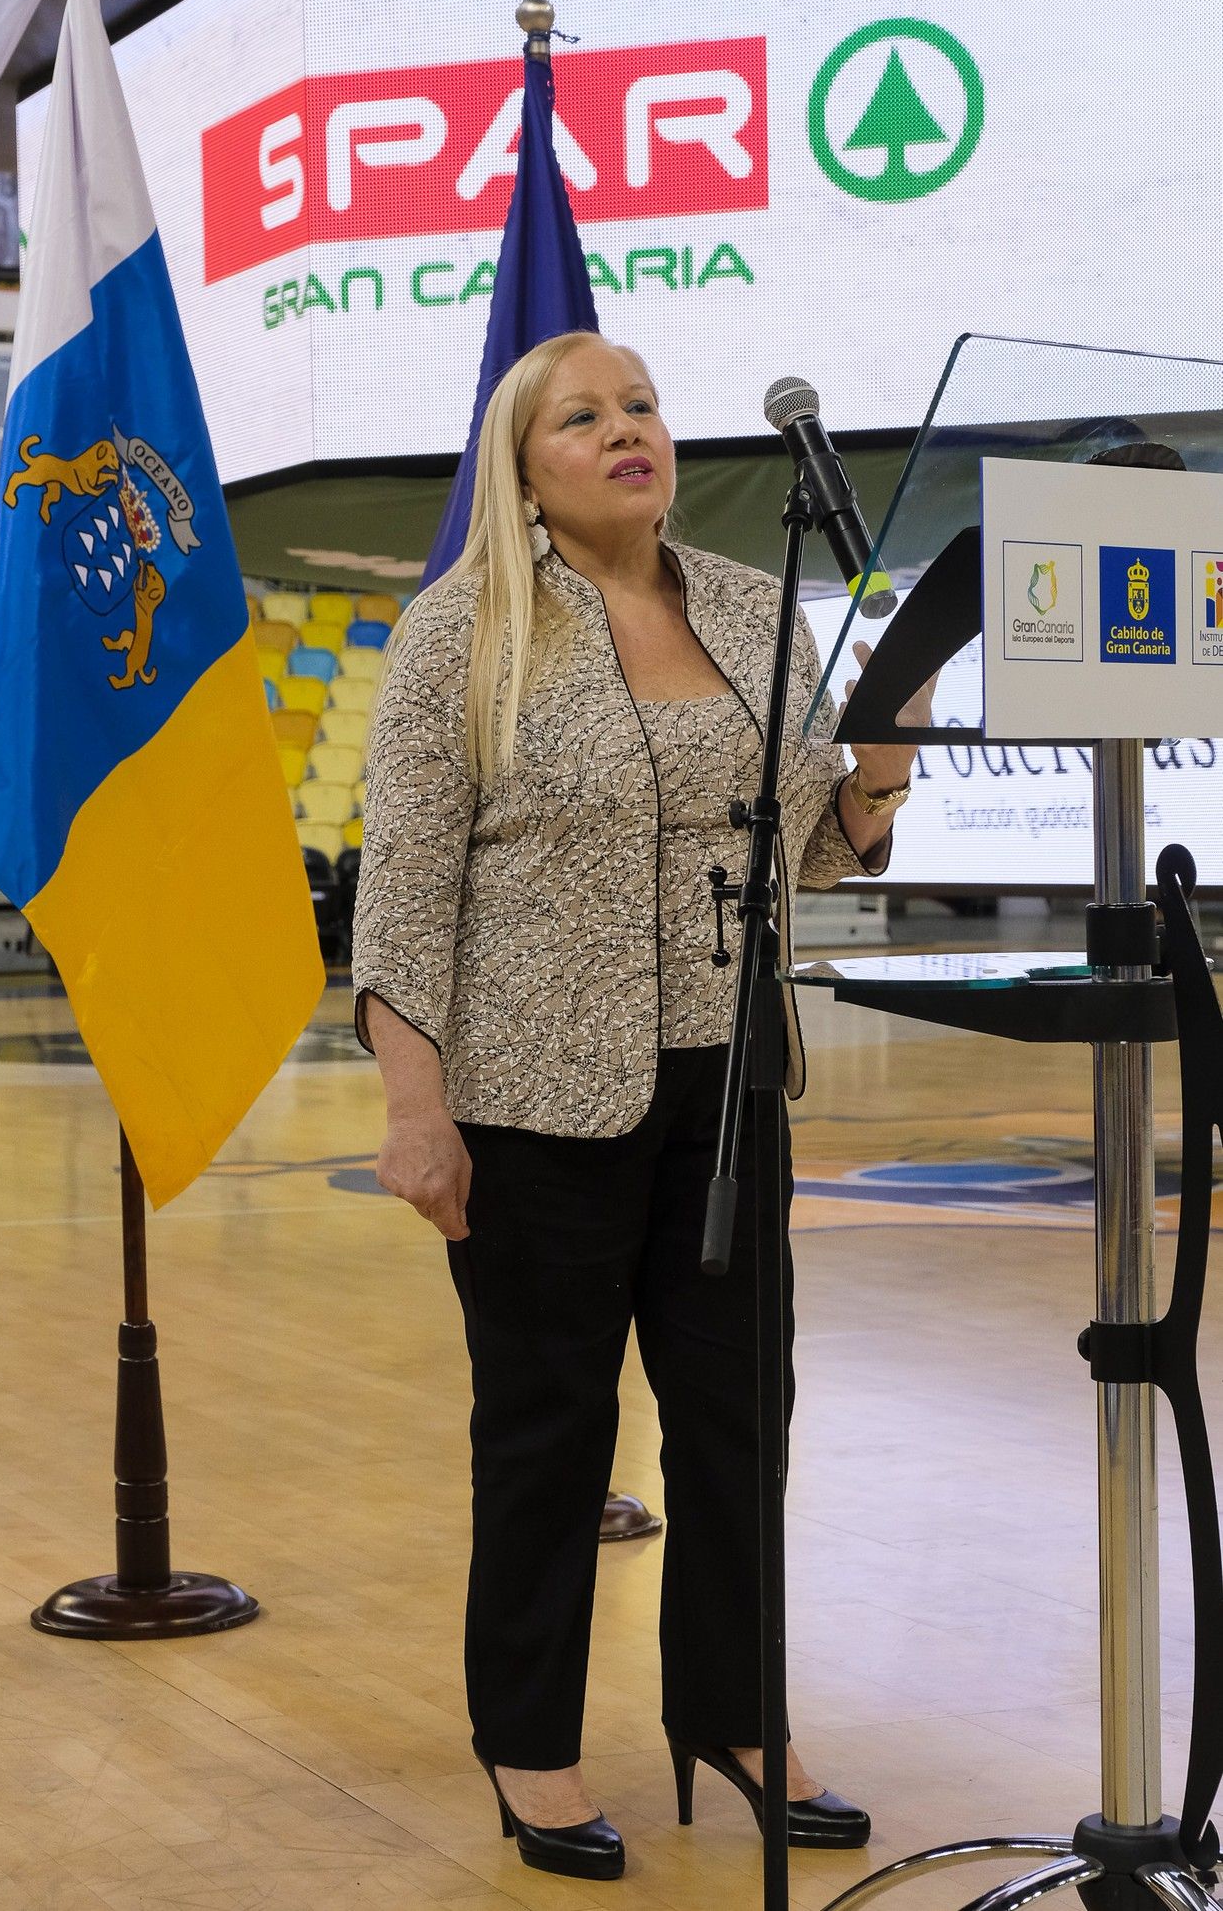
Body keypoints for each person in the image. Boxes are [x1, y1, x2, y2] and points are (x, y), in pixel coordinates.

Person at [351, 331, 925, 1883]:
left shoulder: (749, 608)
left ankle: (737, 1714)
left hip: (731, 1082)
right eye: (585, 416)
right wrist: (419, 1108)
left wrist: (875, 775)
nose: (629, 432)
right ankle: (528, 1739)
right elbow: (403, 887)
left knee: (744, 1418)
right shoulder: (464, 631)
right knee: (547, 1430)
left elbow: (812, 844)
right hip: (536, 1098)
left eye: (647, 408)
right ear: (523, 464)